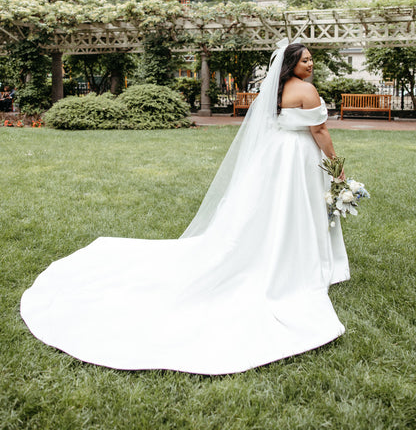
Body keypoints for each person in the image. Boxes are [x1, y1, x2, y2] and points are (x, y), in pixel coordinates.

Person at [21, 40, 350, 375]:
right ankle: (296, 256)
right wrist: (336, 164)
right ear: (291, 63)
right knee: (295, 207)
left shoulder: (275, 89)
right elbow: (320, 130)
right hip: (296, 156)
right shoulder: (307, 91)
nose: (309, 64)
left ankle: (273, 247)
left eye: (311, 60)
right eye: (305, 60)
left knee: (272, 208)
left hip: (275, 156)